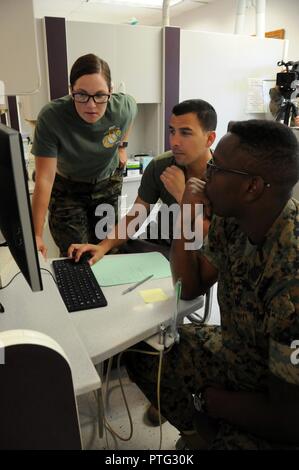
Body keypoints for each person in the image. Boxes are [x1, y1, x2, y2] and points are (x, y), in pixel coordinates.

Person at [124, 119, 299, 450]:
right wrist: (185, 215)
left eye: (216, 168)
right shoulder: (233, 221)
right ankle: (195, 436)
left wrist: (211, 401)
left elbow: (289, 419)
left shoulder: (291, 280)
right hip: (238, 351)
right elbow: (189, 287)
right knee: (145, 352)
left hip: (277, 397)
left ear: (252, 187)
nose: (205, 178)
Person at [68, 99, 216, 264]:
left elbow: (213, 238)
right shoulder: (160, 166)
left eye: (186, 133)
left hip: (199, 253)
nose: (174, 142)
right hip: (160, 247)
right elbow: (136, 215)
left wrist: (182, 195)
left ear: (209, 138)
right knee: (114, 257)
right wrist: (103, 246)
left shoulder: (225, 176)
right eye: (172, 131)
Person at [31, 53, 137, 257]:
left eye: (100, 95)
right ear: (71, 91)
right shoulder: (52, 117)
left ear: (111, 91)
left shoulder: (123, 108)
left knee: (107, 251)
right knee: (75, 255)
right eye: (81, 95)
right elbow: (44, 179)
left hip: (107, 184)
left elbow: (133, 112)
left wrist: (122, 146)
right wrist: (36, 235)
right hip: (68, 189)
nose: (91, 105)